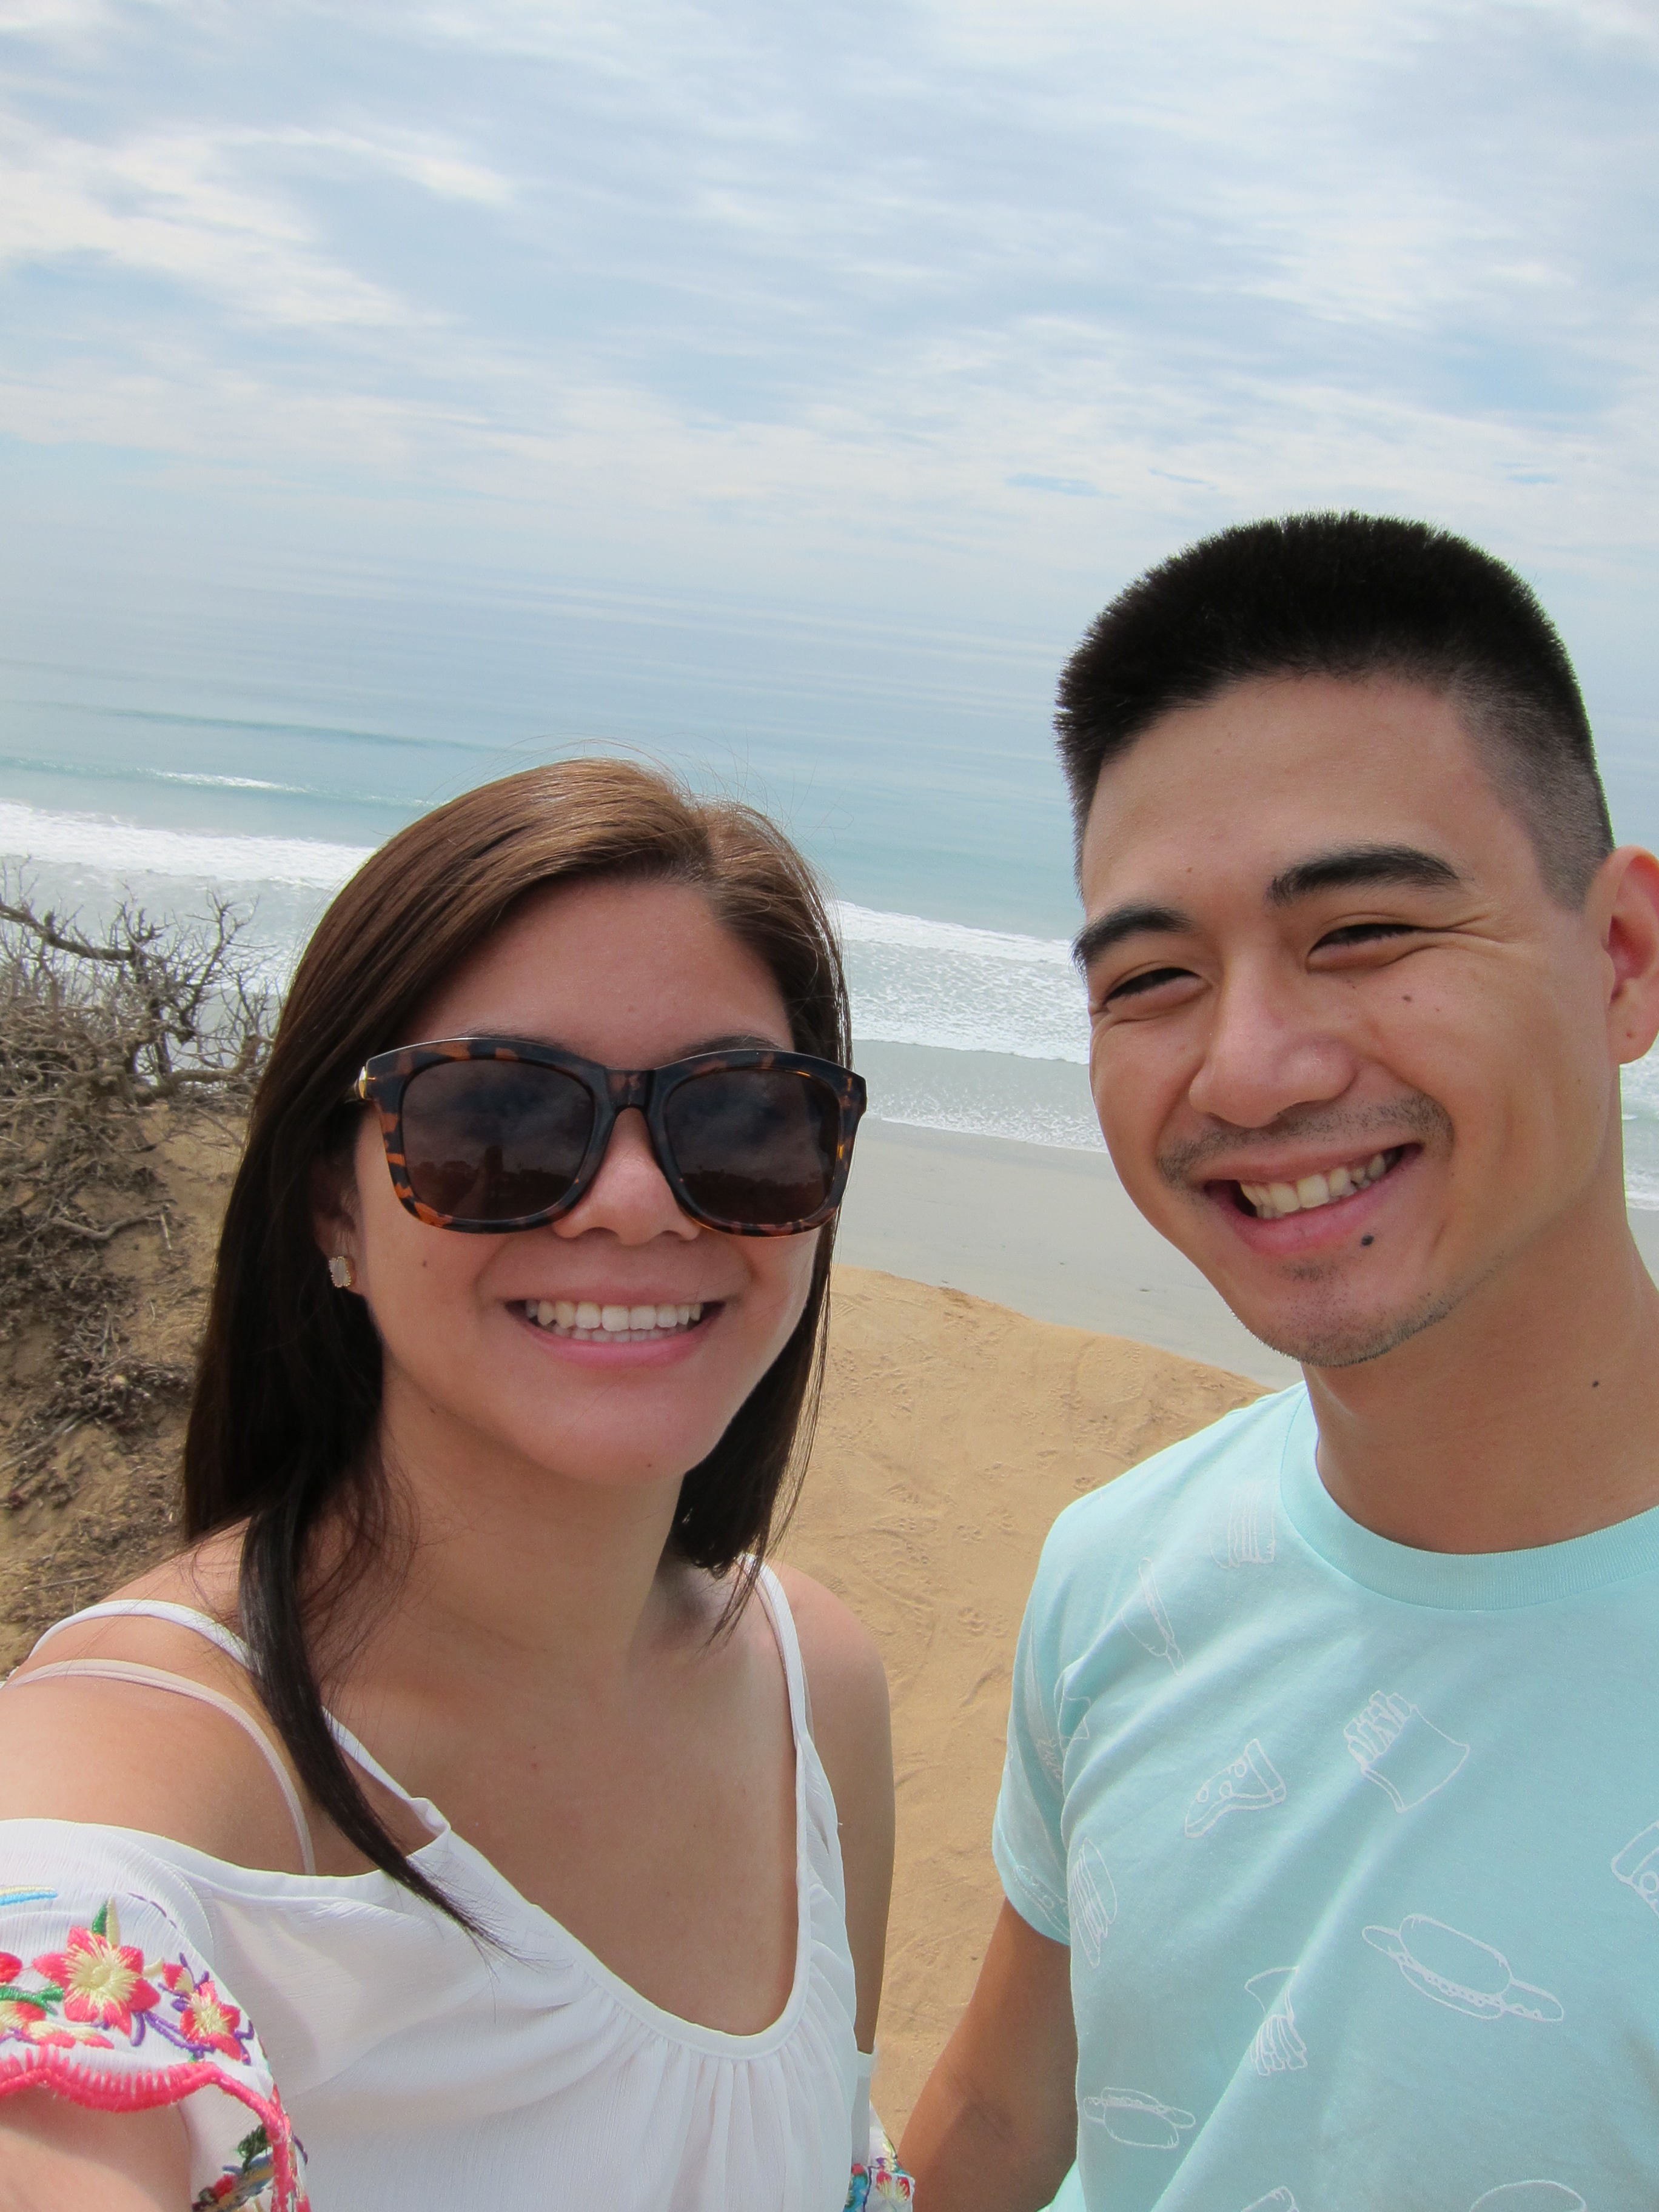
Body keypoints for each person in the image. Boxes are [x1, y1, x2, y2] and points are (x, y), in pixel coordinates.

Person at [0, 760, 909, 2211]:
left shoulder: (811, 1687)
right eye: (500, 1120)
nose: (635, 1200)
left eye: (741, 1123)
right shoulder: (155, 1780)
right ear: (331, 1204)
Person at [900, 512, 1659, 2209]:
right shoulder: (1121, 1569)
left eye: (1365, 933)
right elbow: (1012, 2116)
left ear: (1622, 959)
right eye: (1153, 977)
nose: (1246, 1072)